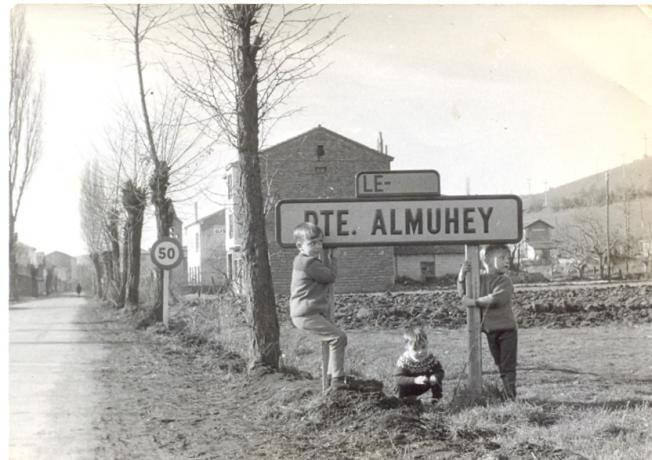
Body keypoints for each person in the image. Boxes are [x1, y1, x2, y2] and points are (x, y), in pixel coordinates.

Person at [290, 222, 348, 391]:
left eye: (320, 243)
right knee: (338, 337)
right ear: (300, 246)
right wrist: (333, 258)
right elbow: (330, 276)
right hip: (306, 314)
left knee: (334, 338)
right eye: (312, 243)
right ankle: (337, 380)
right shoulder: (309, 263)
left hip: (306, 312)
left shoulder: (303, 260)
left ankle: (332, 377)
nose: (317, 247)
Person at [457, 244, 517, 399]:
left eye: (508, 258)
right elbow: (463, 292)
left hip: (507, 330)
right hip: (490, 330)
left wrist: (473, 302)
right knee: (499, 363)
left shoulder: (505, 281)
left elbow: (496, 299)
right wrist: (461, 276)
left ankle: (510, 396)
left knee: (507, 365)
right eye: (502, 258)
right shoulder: (478, 278)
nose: (506, 261)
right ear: (487, 260)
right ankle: (505, 393)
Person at [394, 326, 445, 404]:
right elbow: (398, 378)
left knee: (435, 379)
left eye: (423, 347)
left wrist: (435, 376)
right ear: (407, 347)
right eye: (415, 349)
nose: (420, 351)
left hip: (424, 384)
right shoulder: (404, 360)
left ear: (427, 343)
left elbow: (440, 371)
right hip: (408, 386)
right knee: (399, 386)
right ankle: (400, 403)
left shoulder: (431, 358)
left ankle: (436, 399)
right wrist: (414, 380)